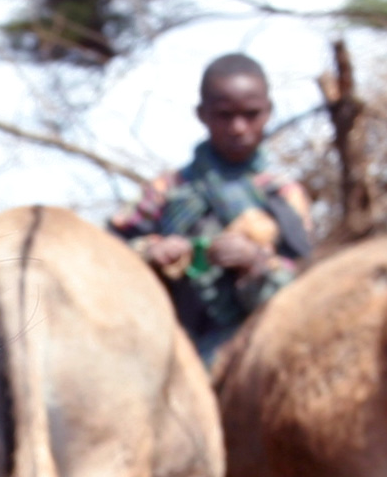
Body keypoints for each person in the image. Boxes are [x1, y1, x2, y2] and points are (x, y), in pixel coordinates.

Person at [109, 55, 314, 352]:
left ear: (268, 113)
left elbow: (303, 279)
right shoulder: (169, 189)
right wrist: (152, 251)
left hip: (260, 348)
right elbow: (110, 248)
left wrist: (254, 260)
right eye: (224, 115)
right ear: (202, 115)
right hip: (174, 347)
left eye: (251, 114)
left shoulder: (281, 193)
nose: (238, 128)